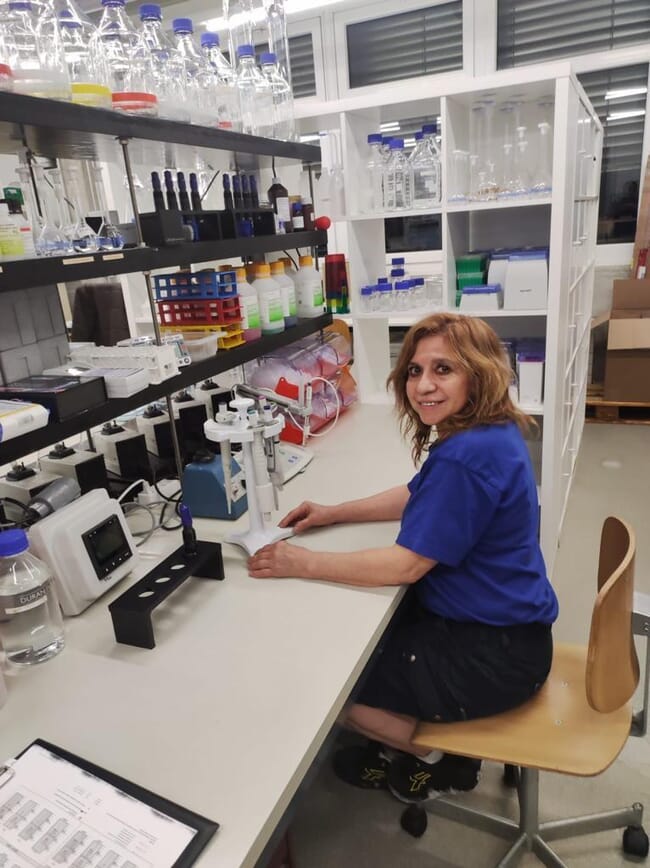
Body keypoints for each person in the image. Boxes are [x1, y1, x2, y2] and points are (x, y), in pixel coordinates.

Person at [248, 312, 558, 803]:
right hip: (510, 629)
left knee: (327, 681)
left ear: (478, 373)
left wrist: (301, 562)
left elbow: (405, 566)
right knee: (360, 638)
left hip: (492, 655)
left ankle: (440, 763)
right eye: (415, 370)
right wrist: (335, 513)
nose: (423, 386)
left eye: (443, 370)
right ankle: (421, 730)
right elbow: (419, 494)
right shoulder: (488, 431)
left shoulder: (466, 456)